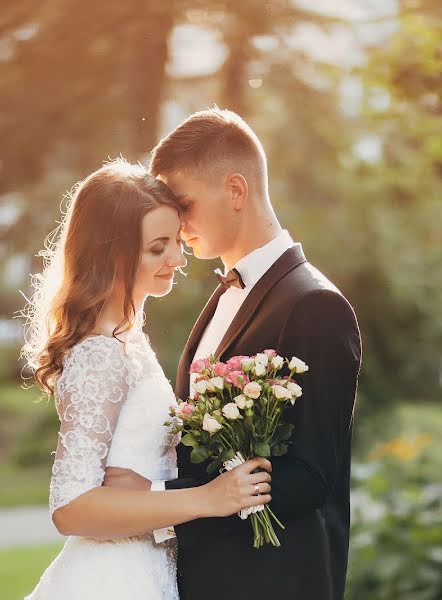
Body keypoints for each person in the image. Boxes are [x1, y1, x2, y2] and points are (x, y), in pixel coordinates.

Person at [103, 109, 363, 600]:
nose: (177, 226)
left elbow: (308, 478)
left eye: (184, 205)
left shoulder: (315, 306)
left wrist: (159, 503)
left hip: (273, 582)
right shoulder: (223, 296)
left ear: (236, 191)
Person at [22, 159, 272, 600]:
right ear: (111, 253)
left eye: (176, 240)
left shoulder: (129, 340)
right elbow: (71, 507)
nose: (178, 257)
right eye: (158, 248)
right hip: (112, 579)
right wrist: (205, 499)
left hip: (148, 567)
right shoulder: (101, 354)